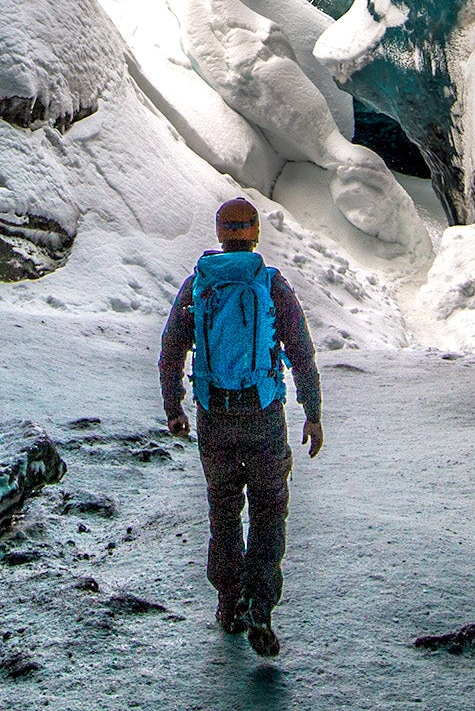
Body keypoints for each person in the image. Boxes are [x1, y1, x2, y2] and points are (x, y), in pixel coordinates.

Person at [159, 195, 323, 658]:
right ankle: (261, 605)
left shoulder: (199, 286)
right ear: (254, 234)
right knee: (270, 511)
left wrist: (174, 408)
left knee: (224, 512)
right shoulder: (271, 286)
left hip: (215, 420)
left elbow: (172, 351)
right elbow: (300, 353)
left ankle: (229, 602)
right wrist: (312, 412)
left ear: (219, 234)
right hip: (264, 418)